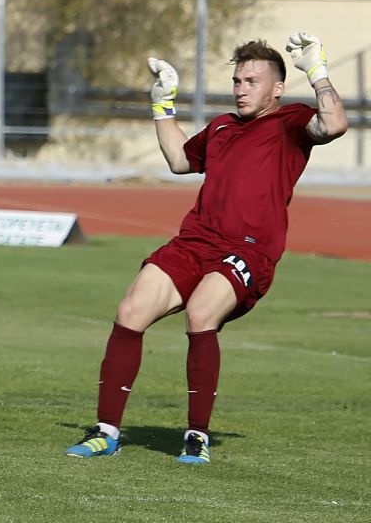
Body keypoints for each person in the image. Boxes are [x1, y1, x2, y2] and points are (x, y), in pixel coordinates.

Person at [65, 32, 348, 464]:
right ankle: (106, 433)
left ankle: (196, 435)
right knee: (131, 311)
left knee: (200, 313)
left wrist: (319, 73)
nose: (241, 88)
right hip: (195, 241)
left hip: (250, 249)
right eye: (237, 80)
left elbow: (334, 125)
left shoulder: (291, 121)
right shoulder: (220, 127)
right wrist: (163, 104)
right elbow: (179, 160)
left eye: (252, 81)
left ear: (277, 87)